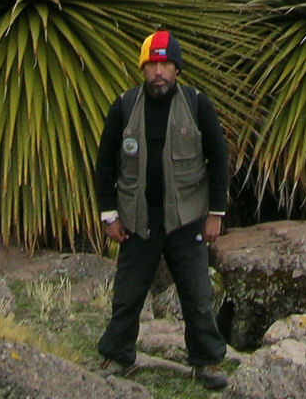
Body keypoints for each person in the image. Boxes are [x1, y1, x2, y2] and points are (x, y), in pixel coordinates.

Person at [95, 29, 229, 390]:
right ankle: (118, 354)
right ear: (142, 68)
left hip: (186, 220)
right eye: (152, 63)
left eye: (166, 63)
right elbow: (105, 164)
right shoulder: (123, 106)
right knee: (127, 295)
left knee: (198, 296)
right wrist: (110, 216)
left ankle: (208, 362)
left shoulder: (198, 105)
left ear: (177, 68)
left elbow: (218, 159)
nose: (159, 71)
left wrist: (216, 213)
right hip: (138, 221)